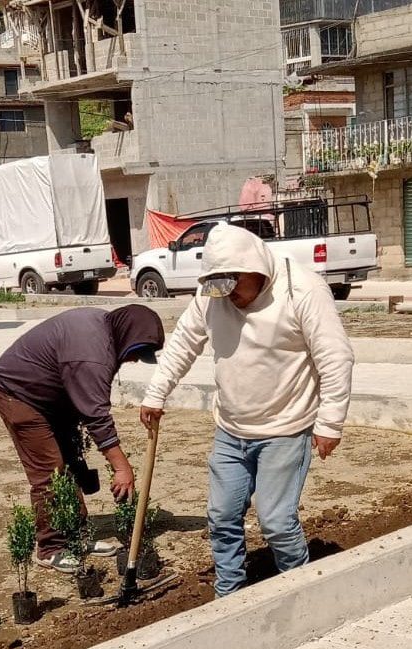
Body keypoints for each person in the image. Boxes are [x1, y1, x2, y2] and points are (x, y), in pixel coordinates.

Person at [140, 222, 354, 597]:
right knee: (221, 517)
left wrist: (330, 423)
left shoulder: (302, 289)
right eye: (220, 289)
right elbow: (185, 341)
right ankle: (230, 597)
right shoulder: (213, 295)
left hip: (285, 429)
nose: (229, 298)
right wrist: (157, 393)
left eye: (235, 287)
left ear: (255, 269)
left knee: (276, 523)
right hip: (230, 429)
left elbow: (335, 358)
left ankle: (300, 592)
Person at [0, 305, 165, 574]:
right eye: (134, 354)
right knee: (50, 471)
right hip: (20, 395)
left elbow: (87, 406)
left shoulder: (105, 331)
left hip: (53, 398)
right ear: (126, 336)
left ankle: (76, 538)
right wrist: (122, 467)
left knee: (71, 463)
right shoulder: (91, 354)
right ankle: (50, 548)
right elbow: (96, 415)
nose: (133, 361)